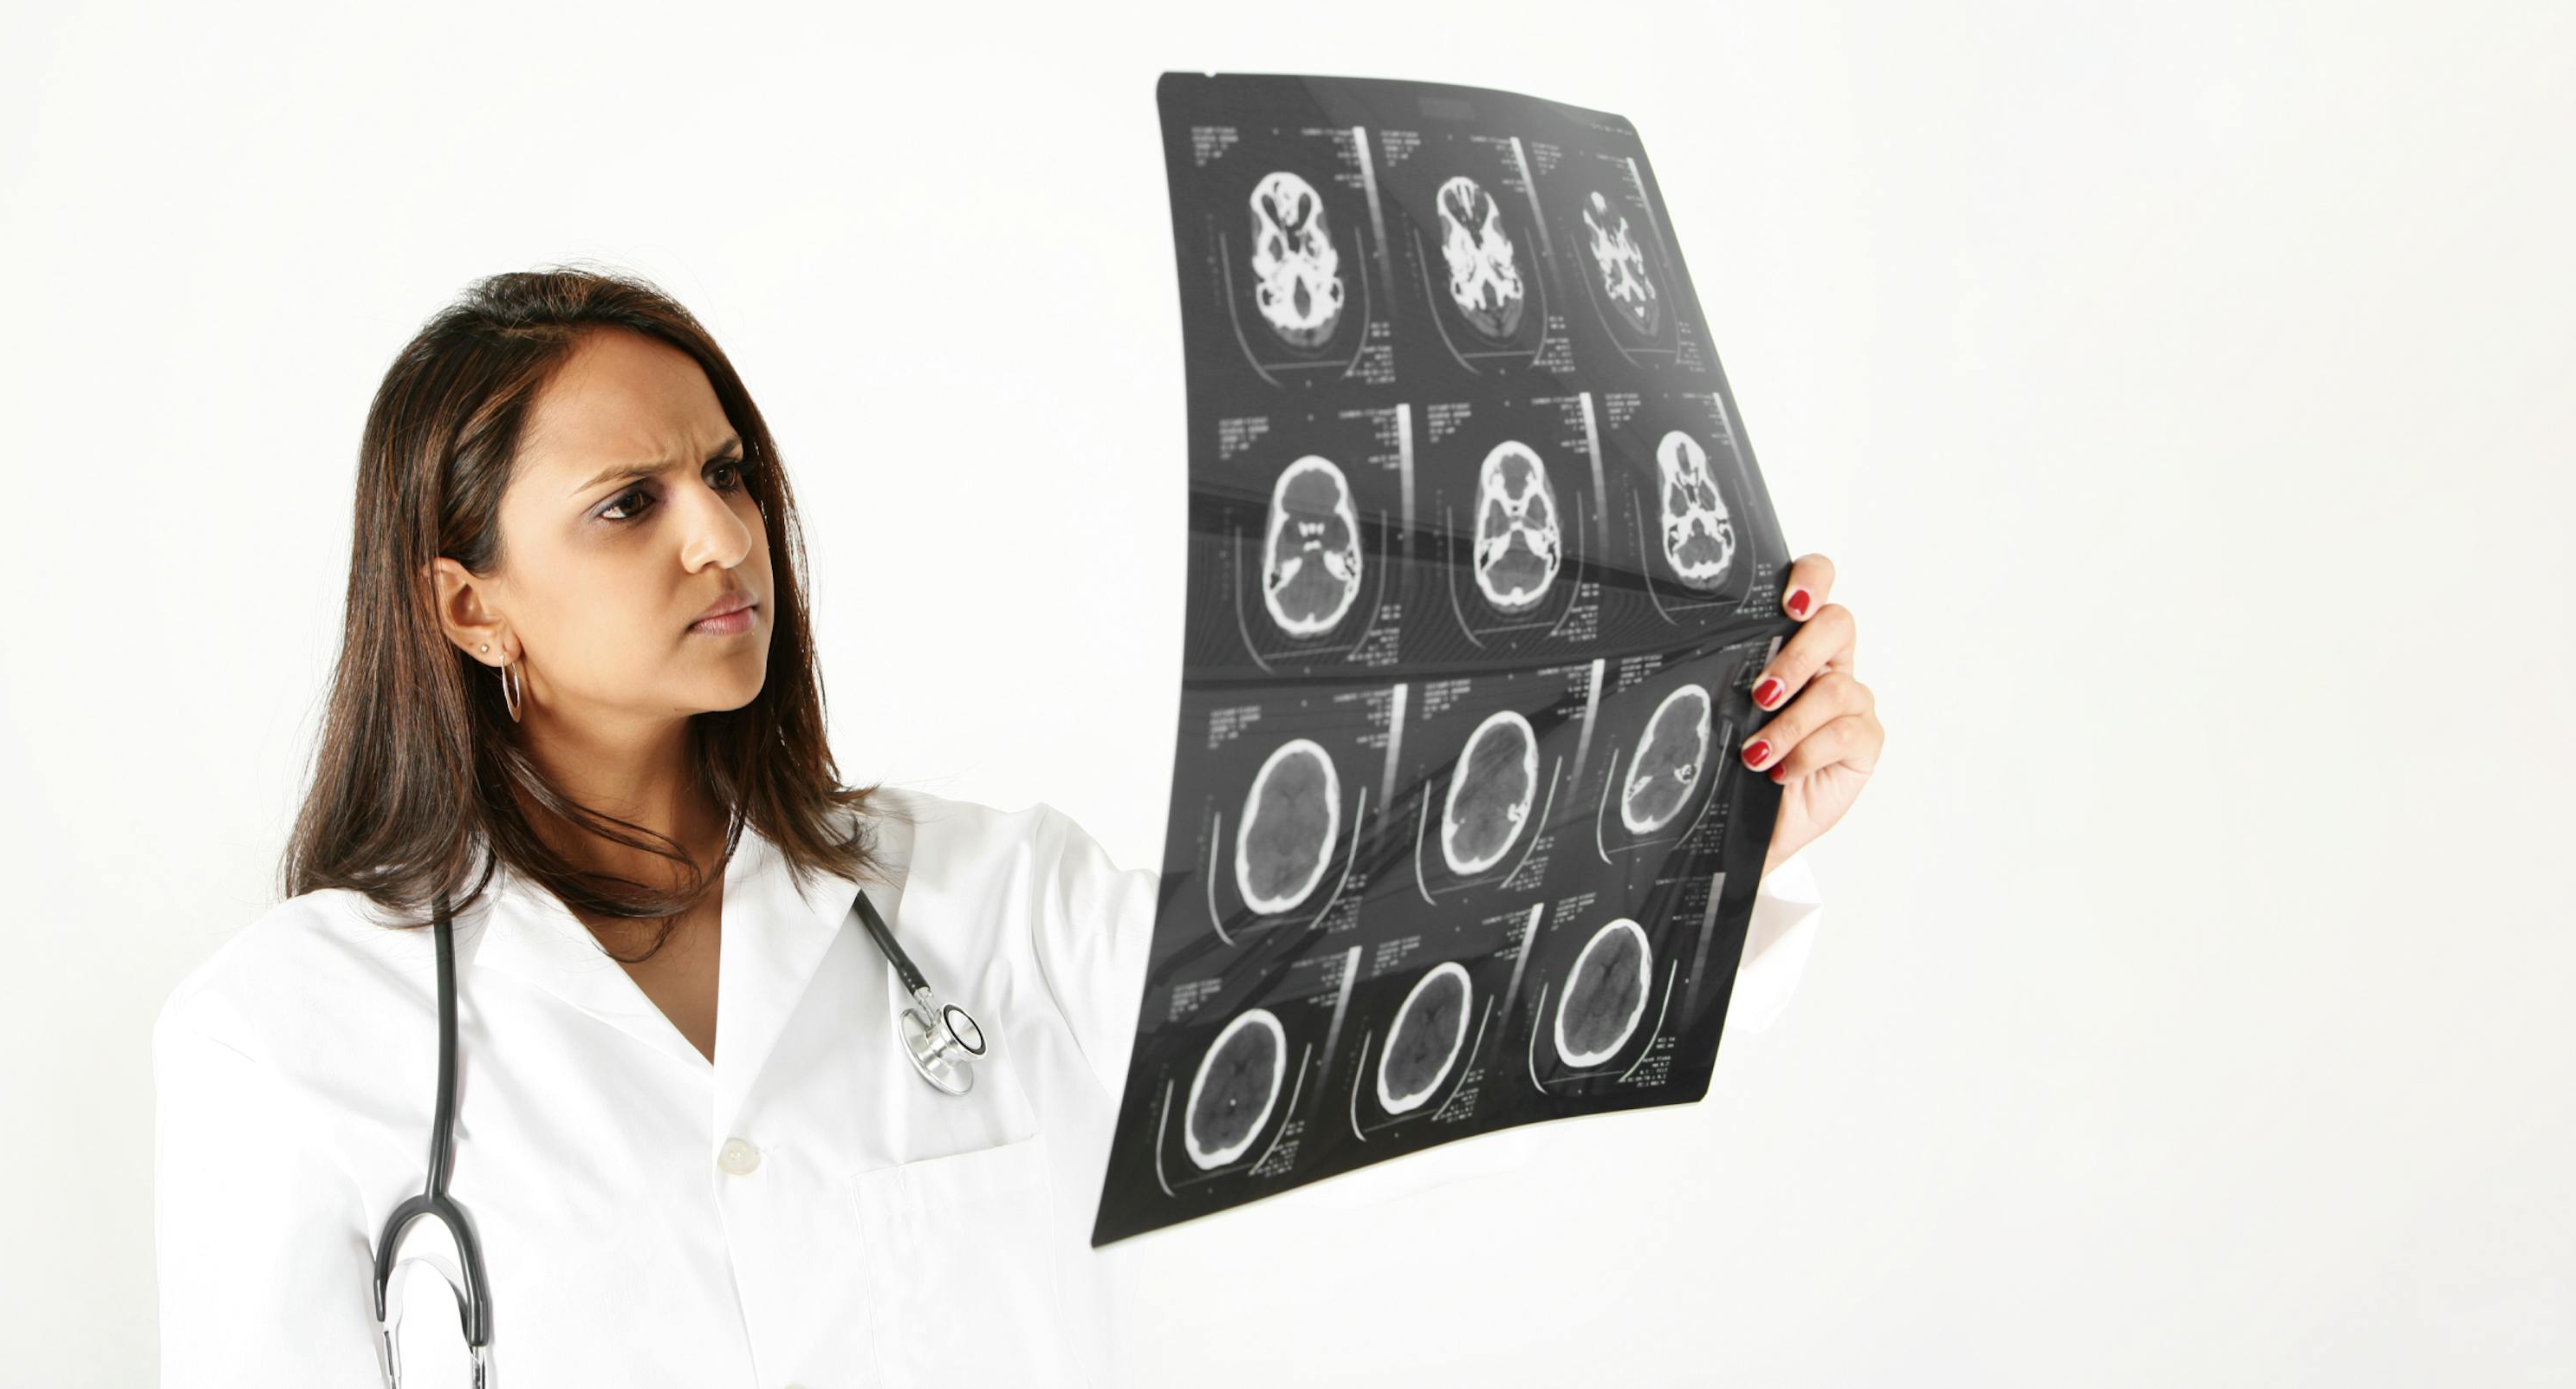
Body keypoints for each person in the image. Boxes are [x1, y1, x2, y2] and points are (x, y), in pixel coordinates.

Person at [152, 268, 1885, 1386]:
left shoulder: (979, 901)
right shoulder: (289, 1034)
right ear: (470, 611)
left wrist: (1727, 826)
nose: (721, 538)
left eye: (732, 473)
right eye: (630, 505)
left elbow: (1397, 1008)